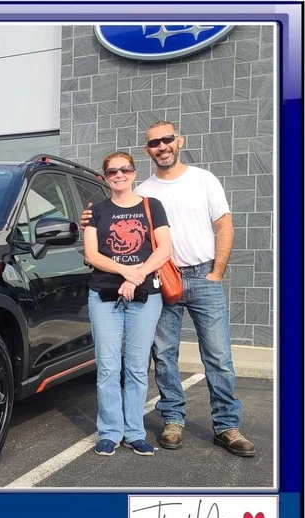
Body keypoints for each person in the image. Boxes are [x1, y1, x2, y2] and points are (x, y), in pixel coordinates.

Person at [81, 121, 255, 457]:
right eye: (154, 143)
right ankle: (173, 420)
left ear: (179, 141)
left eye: (167, 139)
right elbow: (102, 229)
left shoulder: (203, 179)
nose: (162, 146)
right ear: (148, 151)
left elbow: (225, 226)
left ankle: (227, 426)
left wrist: (217, 273)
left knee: (218, 356)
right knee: (163, 357)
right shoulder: (144, 191)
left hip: (202, 276)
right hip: (161, 280)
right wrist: (87, 220)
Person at [84, 152, 172, 457]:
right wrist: (125, 271)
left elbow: (165, 249)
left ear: (134, 173)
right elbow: (93, 256)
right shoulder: (96, 211)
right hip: (104, 295)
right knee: (108, 368)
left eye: (124, 170)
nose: (119, 175)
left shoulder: (152, 206)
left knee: (136, 367)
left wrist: (135, 279)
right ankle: (110, 432)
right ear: (106, 177)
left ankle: (135, 432)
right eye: (112, 171)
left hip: (145, 296)